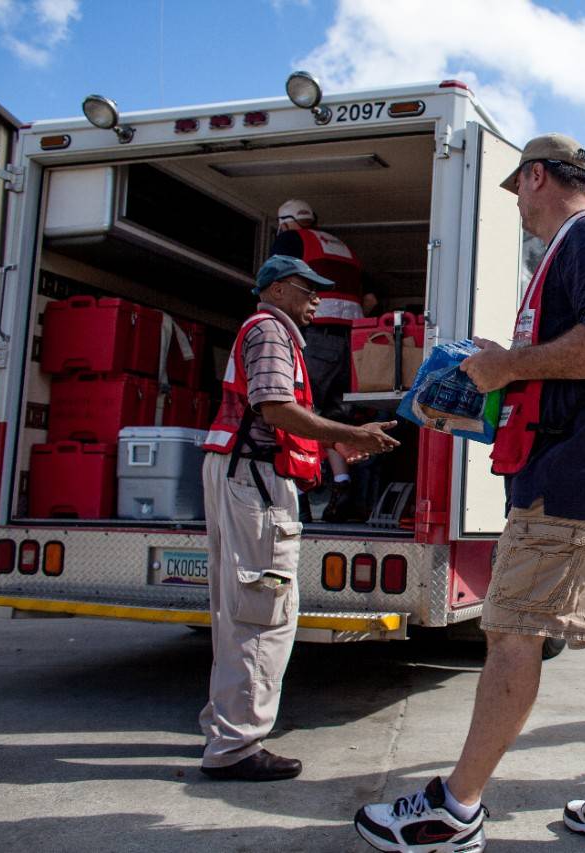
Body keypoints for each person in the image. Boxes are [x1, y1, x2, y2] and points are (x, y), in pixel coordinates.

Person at [353, 134, 585, 853]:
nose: (518, 210)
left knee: (511, 632)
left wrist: (506, 367)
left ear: (536, 177)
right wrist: (495, 380)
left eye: (518, 192)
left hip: (576, 480)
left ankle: (454, 811)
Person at [198, 255, 399, 782]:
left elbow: (274, 415)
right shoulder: (270, 332)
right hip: (255, 480)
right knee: (263, 612)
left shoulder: (261, 330)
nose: (318, 300)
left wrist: (328, 441)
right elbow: (275, 409)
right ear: (282, 289)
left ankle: (226, 732)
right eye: (309, 290)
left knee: (238, 610)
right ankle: (238, 747)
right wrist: (348, 435)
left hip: (240, 473)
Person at [271, 199, 371, 522]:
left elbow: (276, 282)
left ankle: (298, 495)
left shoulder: (291, 240)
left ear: (287, 222)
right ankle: (343, 488)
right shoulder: (344, 248)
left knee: (297, 413)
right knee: (334, 417)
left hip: (317, 338)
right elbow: (369, 297)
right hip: (351, 345)